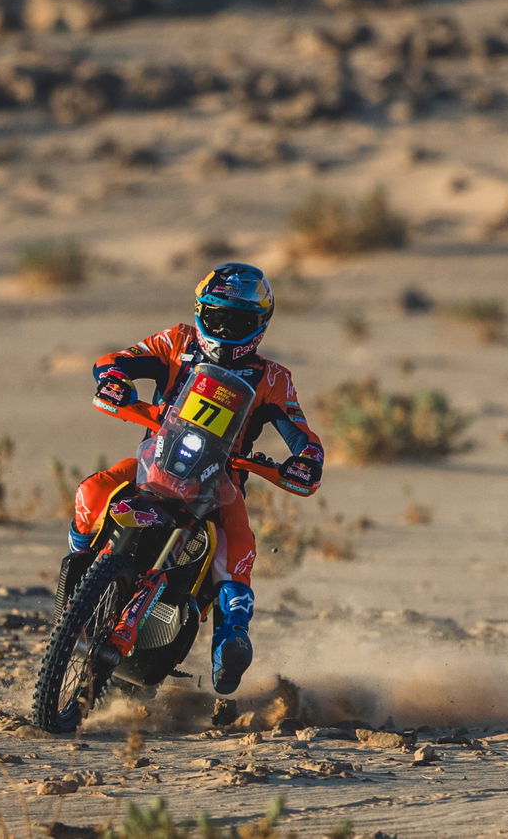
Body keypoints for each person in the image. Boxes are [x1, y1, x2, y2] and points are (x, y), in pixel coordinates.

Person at [62, 262, 324, 695]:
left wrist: (305, 460)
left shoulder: (274, 379)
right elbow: (116, 361)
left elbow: (302, 435)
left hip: (221, 481)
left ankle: (231, 638)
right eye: (216, 316)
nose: (223, 328)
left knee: (239, 543)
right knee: (92, 490)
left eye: (237, 321)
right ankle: (75, 578)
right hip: (155, 461)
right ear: (200, 310)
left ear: (259, 326)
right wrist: (113, 380)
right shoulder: (176, 341)